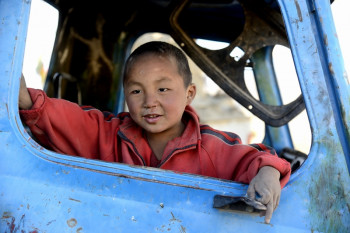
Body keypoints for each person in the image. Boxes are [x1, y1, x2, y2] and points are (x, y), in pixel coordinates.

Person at [19, 41, 291, 224]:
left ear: (189, 94)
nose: (150, 101)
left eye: (163, 89)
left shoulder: (211, 146)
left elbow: (254, 158)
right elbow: (72, 122)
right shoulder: (112, 135)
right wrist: (29, 102)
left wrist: (267, 172)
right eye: (137, 91)